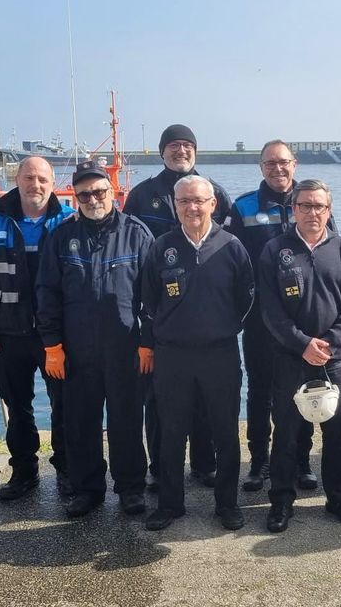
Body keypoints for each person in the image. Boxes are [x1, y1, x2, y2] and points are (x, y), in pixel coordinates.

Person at [138, 175, 254, 531]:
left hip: (220, 354)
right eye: (184, 201)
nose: (192, 207)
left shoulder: (232, 247)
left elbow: (246, 297)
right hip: (173, 356)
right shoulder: (162, 247)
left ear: (212, 204)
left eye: (199, 200)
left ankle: (227, 504)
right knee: (171, 432)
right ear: (175, 206)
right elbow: (148, 299)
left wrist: (221, 326)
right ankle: (170, 504)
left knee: (225, 432)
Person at [37, 163, 153, 517]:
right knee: (80, 422)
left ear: (112, 192)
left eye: (99, 192)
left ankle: (131, 487)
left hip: (124, 347)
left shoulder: (136, 233)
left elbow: (154, 295)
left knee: (126, 420)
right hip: (77, 350)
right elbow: (47, 292)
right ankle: (87, 489)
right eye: (84, 195)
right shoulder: (61, 237)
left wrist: (148, 341)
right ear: (76, 198)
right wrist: (52, 345)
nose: (92, 200)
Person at [124, 123, 230, 489]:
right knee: (158, 398)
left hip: (206, 311)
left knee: (204, 396)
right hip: (159, 312)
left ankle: (204, 463)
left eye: (187, 145)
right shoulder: (142, 195)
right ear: (162, 152)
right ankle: (160, 468)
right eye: (173, 145)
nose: (180, 151)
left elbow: (231, 250)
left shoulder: (215, 192)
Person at [256, 179, 341, 531]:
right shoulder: (275, 251)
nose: (312, 212)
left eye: (319, 206)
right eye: (305, 205)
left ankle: (339, 497)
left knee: (336, 434)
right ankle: (281, 501)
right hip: (290, 357)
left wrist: (330, 343)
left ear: (328, 210)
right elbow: (270, 308)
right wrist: (302, 343)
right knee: (286, 433)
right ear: (294, 209)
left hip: (334, 359)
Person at [229, 140, 331, 493]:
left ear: (294, 164)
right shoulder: (243, 207)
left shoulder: (312, 202)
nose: (277, 169)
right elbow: (233, 264)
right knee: (260, 392)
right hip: (259, 320)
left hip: (303, 323)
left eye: (283, 162)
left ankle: (301, 460)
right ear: (261, 167)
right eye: (270, 163)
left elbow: (329, 252)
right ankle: (259, 462)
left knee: (302, 390)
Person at [0, 157, 74, 502]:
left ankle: (66, 469)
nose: (36, 185)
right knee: (17, 406)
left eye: (43, 179)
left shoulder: (67, 220)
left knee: (63, 405)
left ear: (53, 183)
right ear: (17, 180)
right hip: (9, 331)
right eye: (29, 177)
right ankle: (24, 471)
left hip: (55, 334)